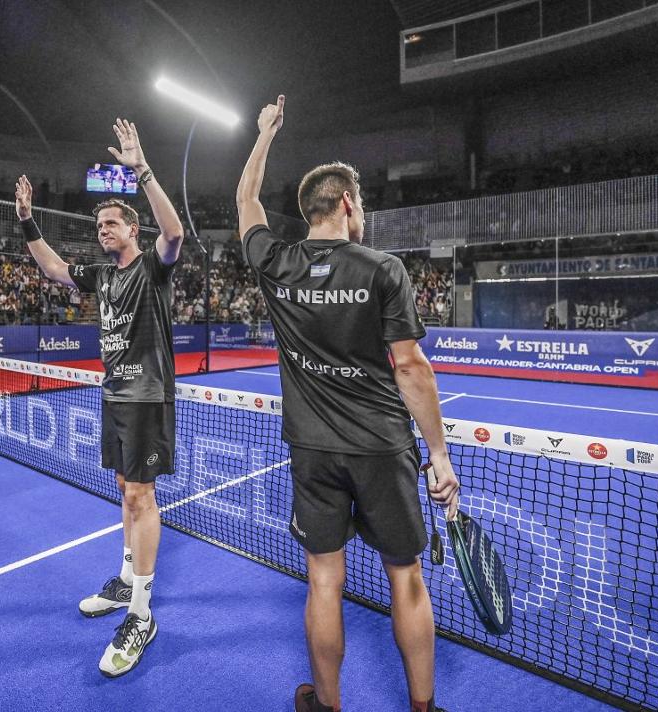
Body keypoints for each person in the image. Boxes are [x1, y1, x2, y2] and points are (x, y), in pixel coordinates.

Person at [236, 96, 460, 712]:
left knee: (324, 582)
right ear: (347, 204)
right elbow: (411, 366)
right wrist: (438, 455)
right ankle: (422, 708)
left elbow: (246, 203)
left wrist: (264, 137)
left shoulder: (276, 263)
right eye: (361, 204)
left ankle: (327, 707)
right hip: (383, 447)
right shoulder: (383, 268)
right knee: (406, 580)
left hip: (312, 450)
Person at [14, 118, 184, 678]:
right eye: (100, 224)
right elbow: (57, 269)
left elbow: (175, 232)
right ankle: (126, 576)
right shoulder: (103, 276)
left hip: (147, 396)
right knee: (123, 492)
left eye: (112, 223)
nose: (103, 230)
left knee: (141, 497)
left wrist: (142, 169)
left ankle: (141, 612)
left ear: (132, 230)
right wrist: (27, 222)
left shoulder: (153, 268)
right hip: (114, 395)